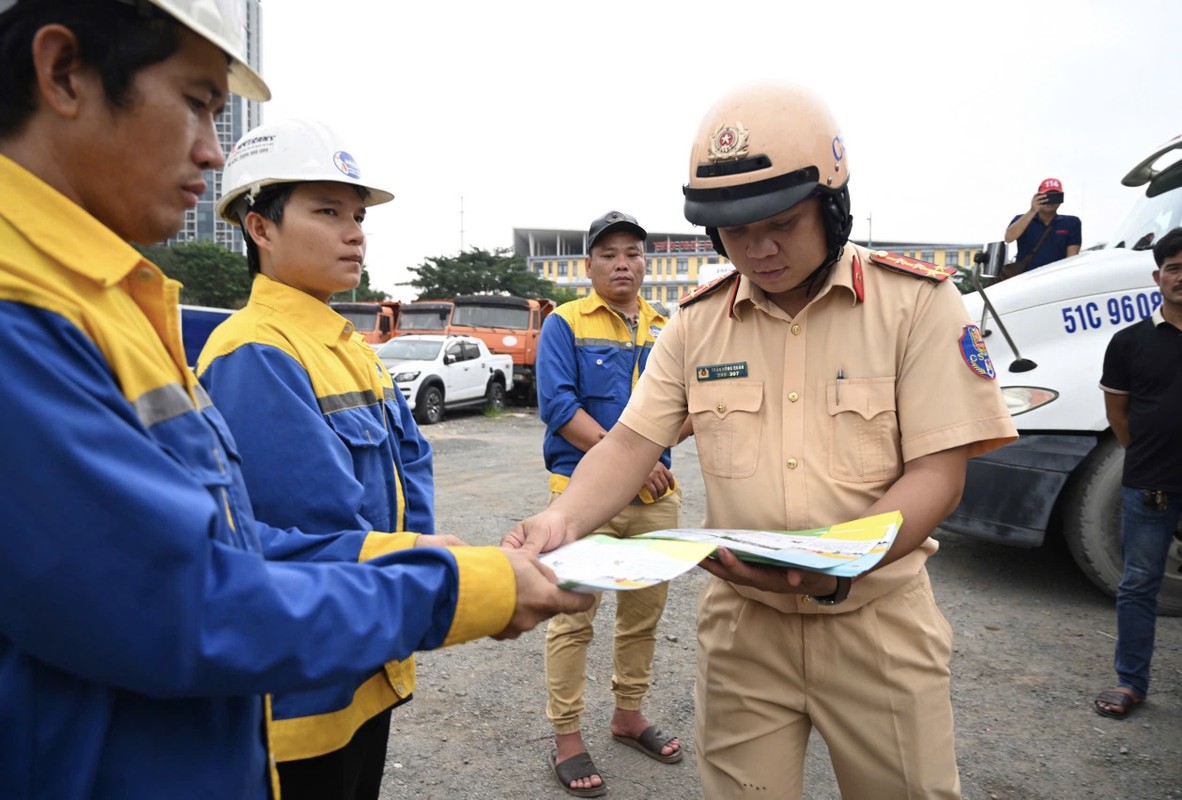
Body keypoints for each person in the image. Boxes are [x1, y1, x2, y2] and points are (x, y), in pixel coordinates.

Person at [0, 3, 590, 797]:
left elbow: (232, 548)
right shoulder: (24, 314)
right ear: (63, 72)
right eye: (197, 102)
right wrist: (460, 587)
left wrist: (433, 558)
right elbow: (188, 605)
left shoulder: (114, 301)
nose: (212, 150)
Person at [504, 82, 1018, 799]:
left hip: (879, 624)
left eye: (781, 222)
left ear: (832, 204)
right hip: (744, 628)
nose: (759, 248)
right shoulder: (695, 323)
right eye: (736, 231)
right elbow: (629, 446)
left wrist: (846, 562)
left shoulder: (918, 305)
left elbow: (939, 471)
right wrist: (559, 521)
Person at [195, 119, 457, 800]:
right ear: (260, 228)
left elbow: (410, 472)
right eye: (327, 211)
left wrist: (420, 561)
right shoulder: (255, 351)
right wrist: (438, 576)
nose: (356, 232)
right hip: (307, 690)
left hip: (367, 658)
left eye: (358, 216)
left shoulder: (347, 343)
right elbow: (303, 534)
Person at [538, 211, 687, 797]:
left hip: (655, 499)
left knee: (642, 617)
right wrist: (631, 461)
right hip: (580, 495)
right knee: (573, 617)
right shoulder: (564, 323)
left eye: (633, 253)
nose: (623, 263)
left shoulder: (666, 327)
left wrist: (658, 452)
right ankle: (568, 736)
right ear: (589, 266)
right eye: (609, 254)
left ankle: (628, 715)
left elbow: (684, 408)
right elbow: (558, 406)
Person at [1094, 227, 1182, 720]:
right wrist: (1148, 457)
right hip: (1150, 486)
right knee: (1138, 584)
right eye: (1173, 268)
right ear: (1158, 277)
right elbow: (1118, 414)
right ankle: (1130, 681)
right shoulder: (1129, 342)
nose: (1181, 277)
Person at [1003, 177, 1082, 273]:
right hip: (1025, 278)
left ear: (1061, 198)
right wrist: (1033, 210)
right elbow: (1008, 238)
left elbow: (1072, 258)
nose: (1049, 201)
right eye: (1046, 196)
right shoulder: (1022, 220)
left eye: (1055, 196)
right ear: (1037, 197)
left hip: (1056, 277)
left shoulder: (1071, 222)